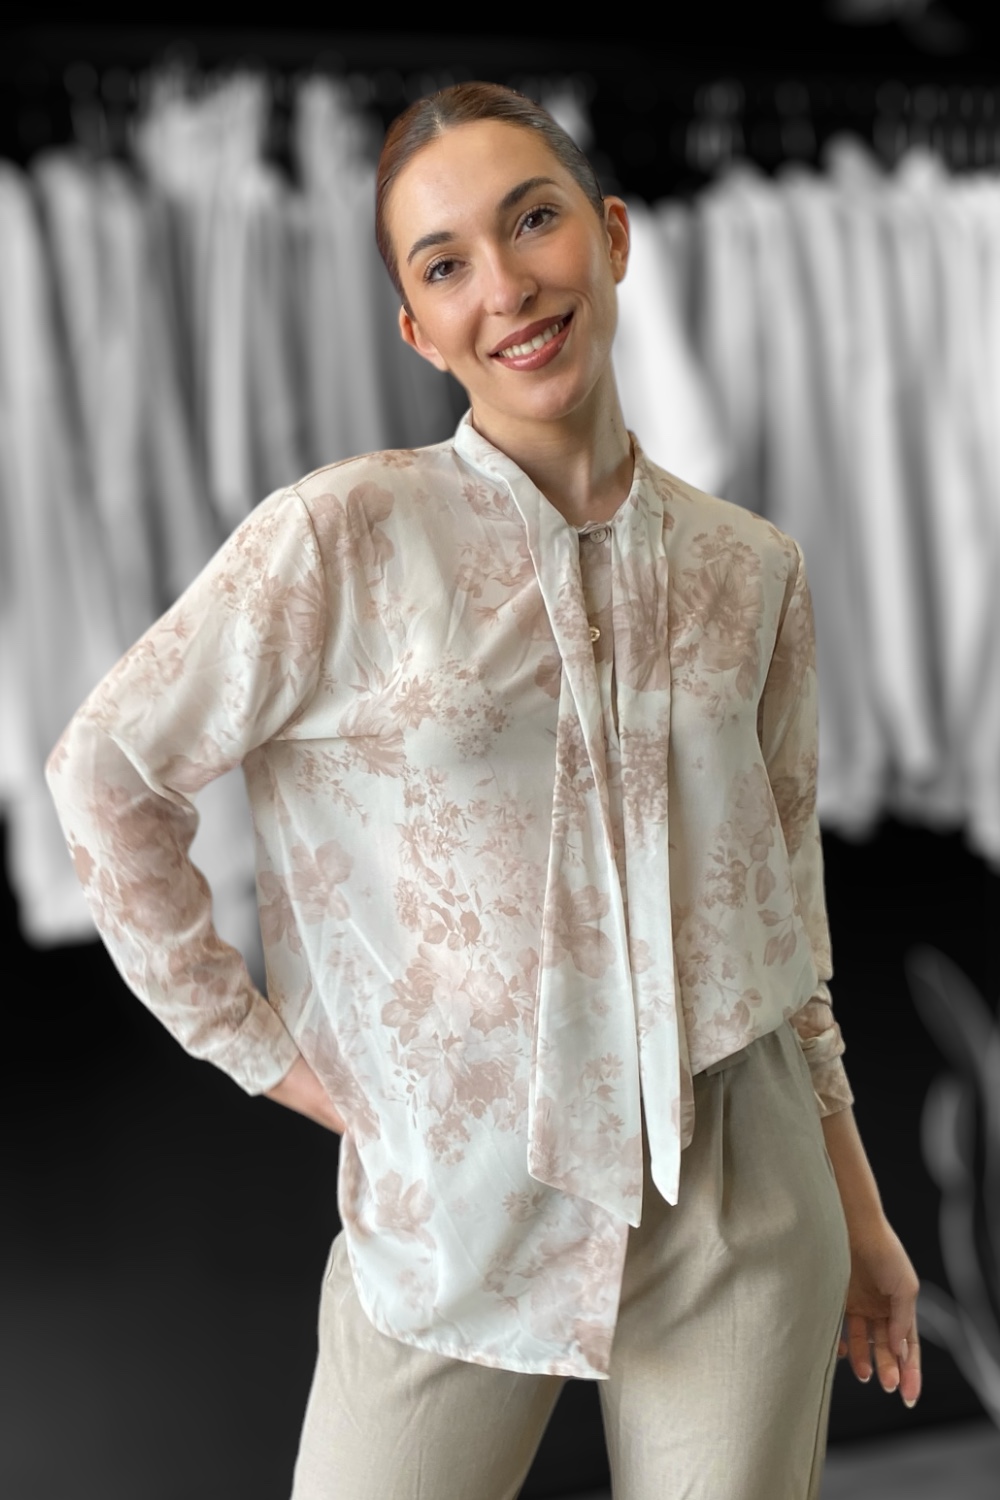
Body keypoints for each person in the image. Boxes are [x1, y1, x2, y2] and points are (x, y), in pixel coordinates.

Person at [46, 82, 921, 1500]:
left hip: (747, 1193)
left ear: (611, 235)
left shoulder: (752, 566)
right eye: (445, 263)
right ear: (415, 325)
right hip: (453, 1205)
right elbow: (106, 773)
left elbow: (787, 920)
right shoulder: (340, 536)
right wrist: (263, 1053)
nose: (506, 287)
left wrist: (860, 1208)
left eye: (533, 222)